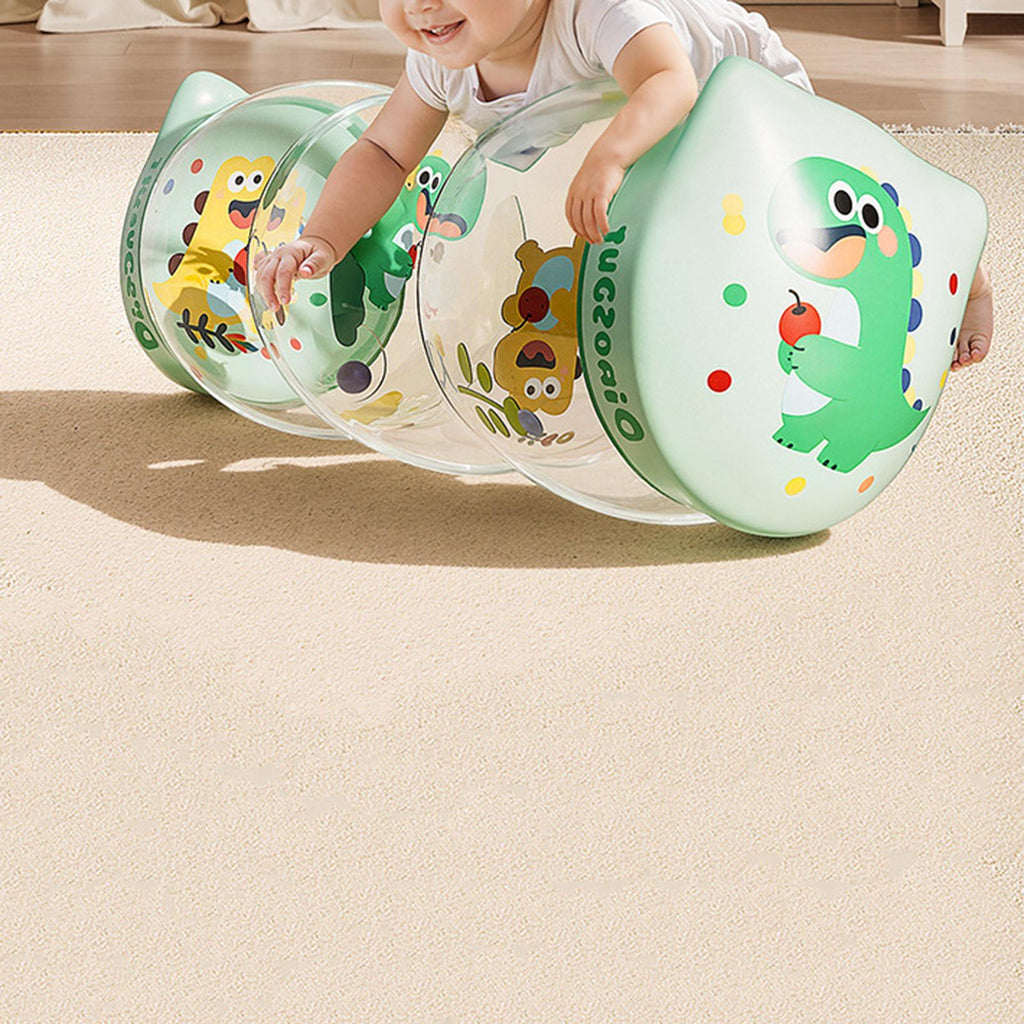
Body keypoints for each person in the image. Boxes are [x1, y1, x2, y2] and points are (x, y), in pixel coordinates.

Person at [253, 0, 993, 371]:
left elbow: (669, 82)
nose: (421, 6)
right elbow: (384, 152)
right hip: (641, 128)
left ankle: (959, 264)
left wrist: (609, 156)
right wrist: (323, 237)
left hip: (742, 93)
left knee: (819, 213)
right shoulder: (439, 58)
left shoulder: (598, 12)